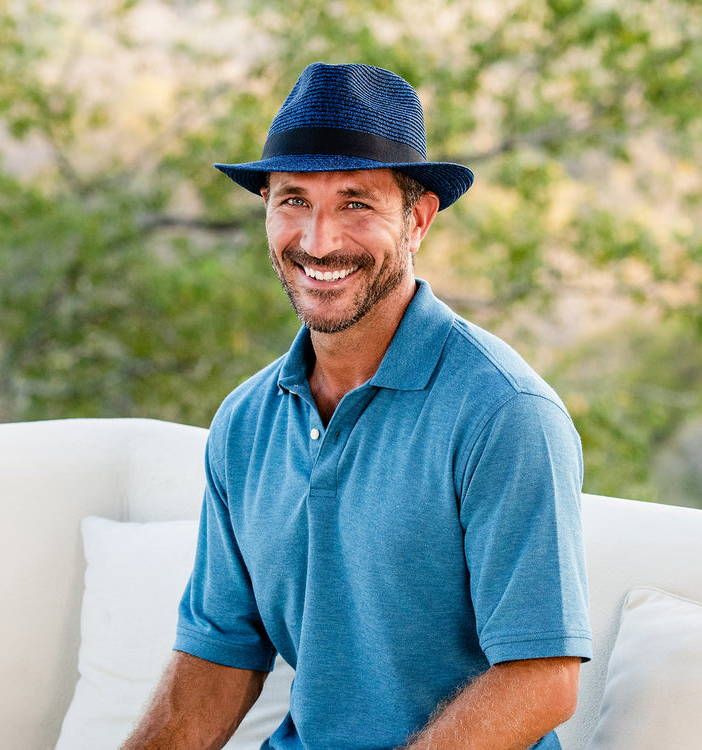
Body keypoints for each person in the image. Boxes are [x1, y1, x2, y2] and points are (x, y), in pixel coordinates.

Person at [122, 62, 592, 750]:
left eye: (355, 203)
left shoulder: (505, 414)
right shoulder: (245, 423)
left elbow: (543, 676)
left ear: (418, 219)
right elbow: (219, 658)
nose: (317, 241)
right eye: (292, 200)